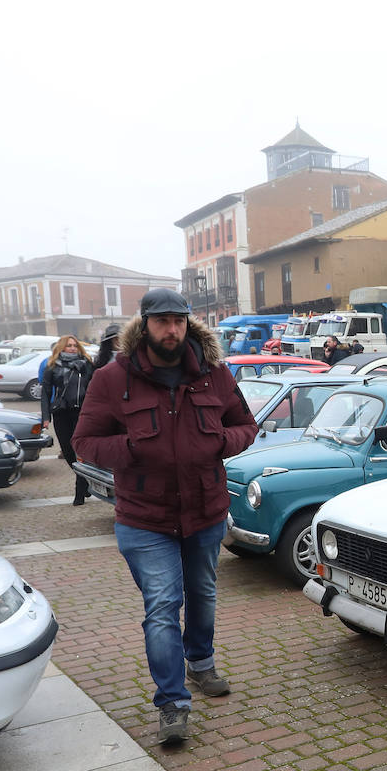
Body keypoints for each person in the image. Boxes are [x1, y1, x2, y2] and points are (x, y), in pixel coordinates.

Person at [73, 288, 259, 746]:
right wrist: (133, 448)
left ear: (188, 323)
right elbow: (85, 441)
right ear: (145, 325)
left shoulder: (214, 374)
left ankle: (200, 663)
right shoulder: (112, 378)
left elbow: (246, 426)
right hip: (144, 517)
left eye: (178, 321)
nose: (171, 329)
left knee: (203, 595)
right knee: (161, 608)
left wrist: (218, 443)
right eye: (162, 321)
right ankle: (172, 703)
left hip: (206, 509)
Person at [40, 335, 95, 505]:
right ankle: (85, 480)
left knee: (81, 451)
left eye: (75, 345)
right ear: (62, 347)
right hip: (61, 413)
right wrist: (45, 417)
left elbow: (94, 387)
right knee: (67, 450)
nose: (72, 348)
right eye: (69, 345)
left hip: (82, 412)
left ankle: (79, 492)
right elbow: (46, 392)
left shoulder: (86, 364)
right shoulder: (52, 366)